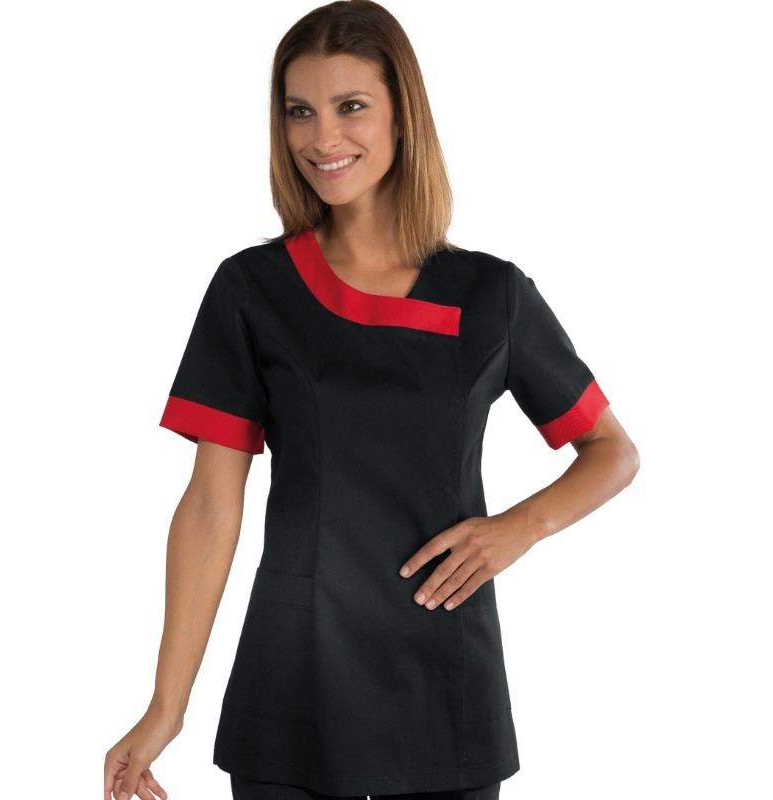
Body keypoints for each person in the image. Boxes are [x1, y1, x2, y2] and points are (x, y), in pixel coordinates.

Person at [103, 1, 640, 799]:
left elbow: (613, 452)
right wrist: (165, 708)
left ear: (402, 115)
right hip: (292, 679)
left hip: (444, 686)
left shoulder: (491, 295)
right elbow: (212, 506)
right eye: (300, 112)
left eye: (350, 106)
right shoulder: (252, 290)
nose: (323, 138)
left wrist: (518, 529)